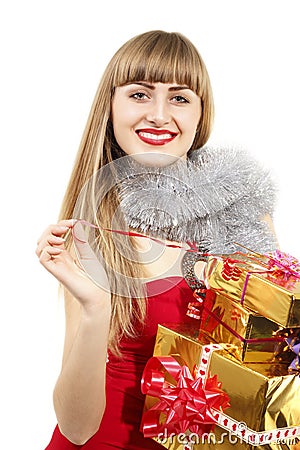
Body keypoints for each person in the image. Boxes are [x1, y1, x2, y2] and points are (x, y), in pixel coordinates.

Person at [36, 30, 281, 449]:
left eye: (180, 97)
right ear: (111, 107)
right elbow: (77, 428)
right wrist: (96, 309)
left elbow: (271, 365)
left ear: (201, 115)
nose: (159, 115)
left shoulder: (246, 214)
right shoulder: (93, 230)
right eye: (140, 94)